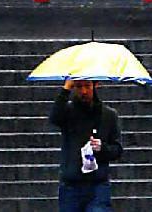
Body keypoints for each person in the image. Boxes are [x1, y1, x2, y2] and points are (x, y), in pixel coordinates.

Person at [49, 79, 123, 211]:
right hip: (70, 184)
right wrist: (66, 89)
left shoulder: (109, 115)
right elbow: (55, 118)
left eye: (87, 86)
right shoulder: (68, 112)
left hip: (97, 185)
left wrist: (102, 148)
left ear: (95, 85)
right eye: (78, 86)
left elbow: (117, 149)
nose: (83, 91)